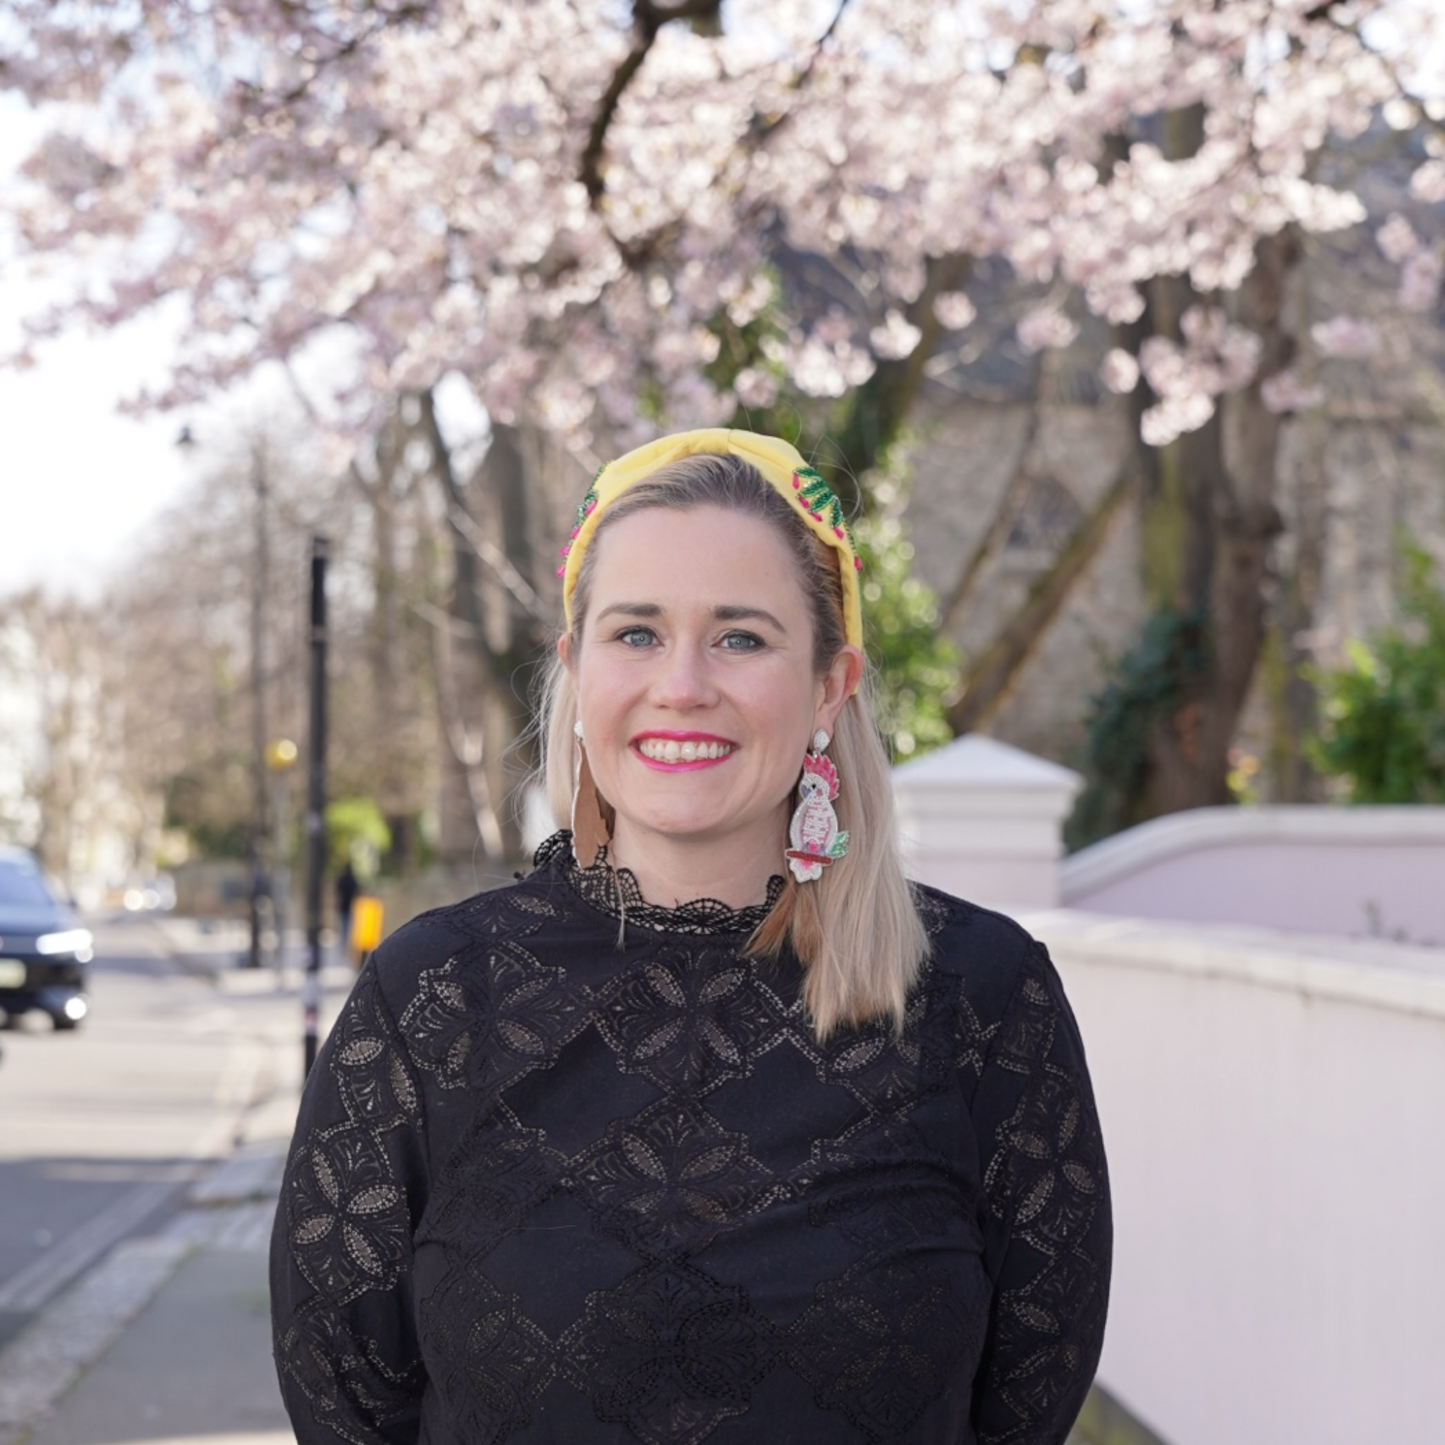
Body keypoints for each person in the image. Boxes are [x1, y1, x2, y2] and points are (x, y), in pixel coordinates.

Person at [270, 428, 1111, 1445]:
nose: (681, 683)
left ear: (829, 683)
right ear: (576, 669)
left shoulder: (982, 997)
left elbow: (1026, 1398)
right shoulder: (433, 997)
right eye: (636, 632)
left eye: (740, 637)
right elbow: (347, 1397)